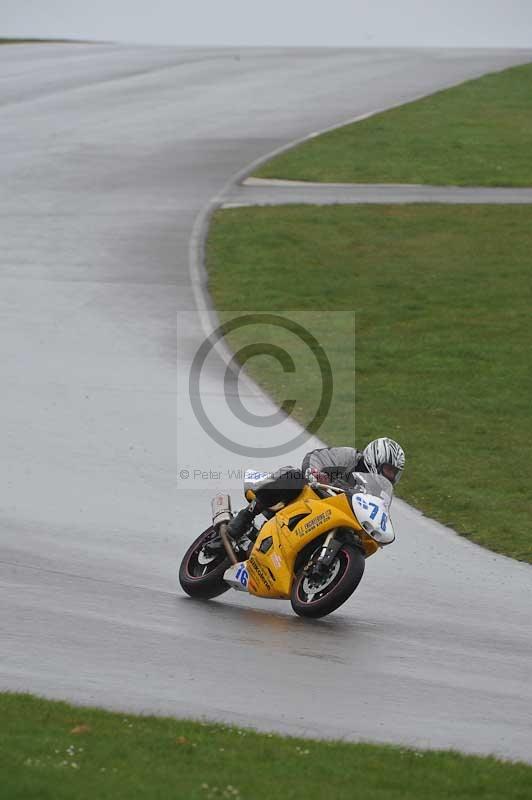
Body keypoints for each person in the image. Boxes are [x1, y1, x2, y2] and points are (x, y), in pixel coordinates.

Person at [226, 437, 405, 542]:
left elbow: (379, 513)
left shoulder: (380, 491)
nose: (390, 476)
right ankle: (246, 515)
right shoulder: (350, 457)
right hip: (315, 495)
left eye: (394, 473)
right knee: (295, 477)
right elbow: (317, 457)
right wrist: (315, 472)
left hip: (335, 517)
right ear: (376, 458)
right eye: (389, 470)